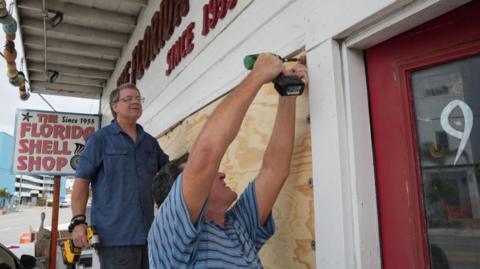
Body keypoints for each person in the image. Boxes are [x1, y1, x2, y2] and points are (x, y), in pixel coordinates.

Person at [148, 53, 308, 268]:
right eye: (208, 177)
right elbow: (206, 153)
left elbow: (274, 170)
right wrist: (258, 74)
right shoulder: (171, 236)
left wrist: (288, 92)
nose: (221, 173)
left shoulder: (237, 225)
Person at [71, 83, 169, 269]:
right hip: (114, 238)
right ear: (115, 107)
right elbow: (82, 181)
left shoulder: (149, 142)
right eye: (128, 99)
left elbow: (168, 172)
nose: (135, 102)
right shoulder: (100, 139)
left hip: (150, 235)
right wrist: (78, 221)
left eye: (138, 98)